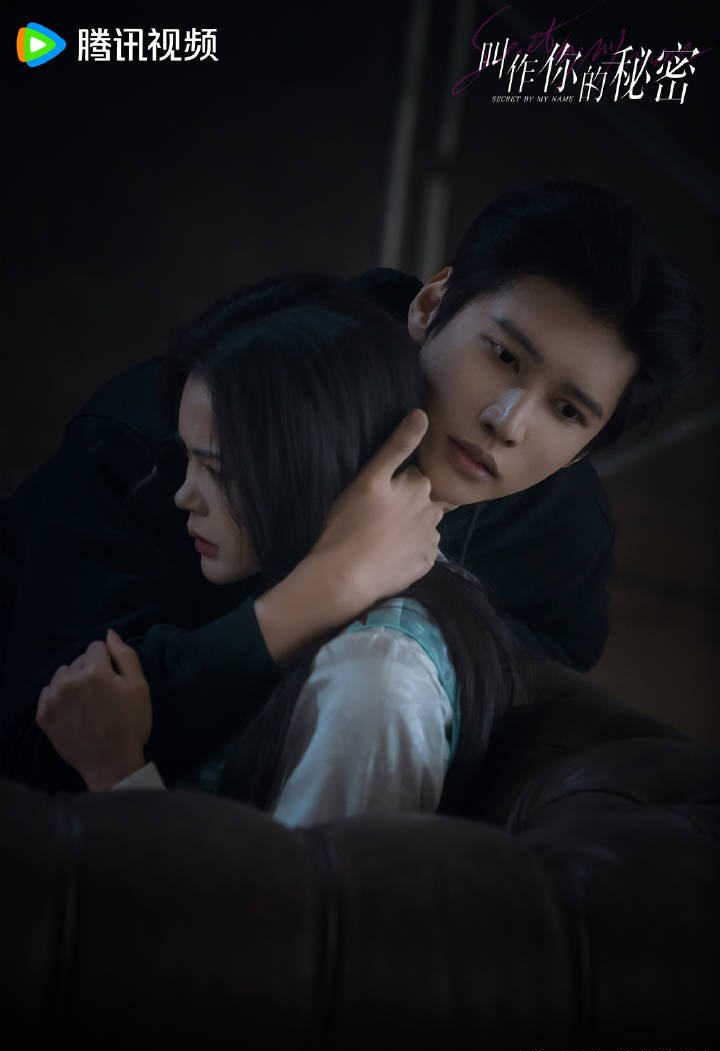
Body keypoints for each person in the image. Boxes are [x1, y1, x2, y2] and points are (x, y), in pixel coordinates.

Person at [0, 179, 706, 793]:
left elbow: (529, 707)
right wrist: (323, 589)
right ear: (430, 305)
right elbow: (47, 739)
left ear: (587, 448)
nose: (508, 422)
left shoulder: (560, 535)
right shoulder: (172, 437)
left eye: (568, 411)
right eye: (502, 355)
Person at [36, 277, 522, 824]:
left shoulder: (375, 679)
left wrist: (117, 773)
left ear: (316, 465)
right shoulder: (348, 604)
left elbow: (299, 883)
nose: (182, 496)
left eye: (219, 470)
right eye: (188, 460)